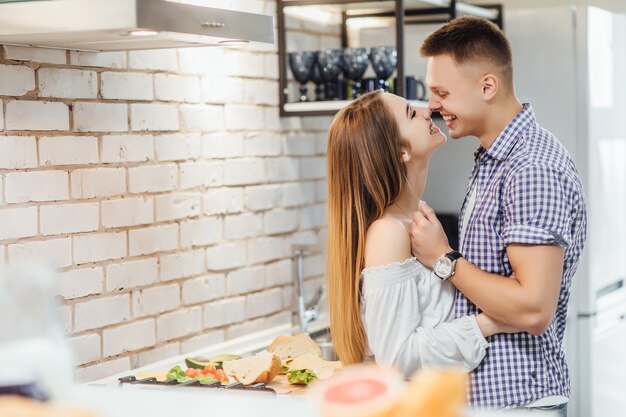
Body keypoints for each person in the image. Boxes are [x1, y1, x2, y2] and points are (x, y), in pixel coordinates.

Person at [410, 17, 587, 415]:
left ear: (487, 86)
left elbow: (533, 308)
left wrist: (445, 258)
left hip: (516, 404)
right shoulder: (495, 160)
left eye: (441, 92)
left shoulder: (531, 167)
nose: (433, 106)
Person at [325, 90, 516, 377]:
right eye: (411, 114)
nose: (427, 110)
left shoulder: (418, 218)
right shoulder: (389, 233)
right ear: (400, 151)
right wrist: (489, 323)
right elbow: (398, 359)